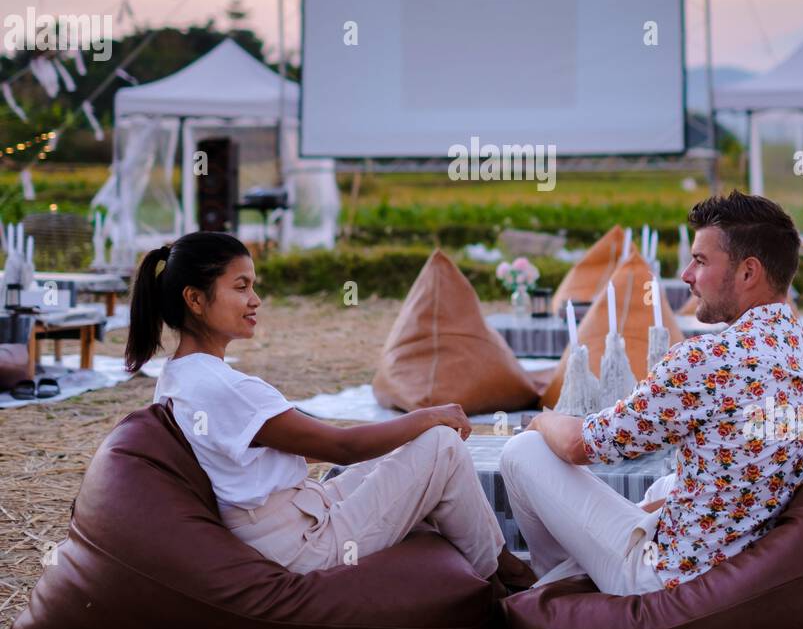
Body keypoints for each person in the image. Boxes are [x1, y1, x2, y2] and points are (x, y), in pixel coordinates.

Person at [124, 231, 535, 593]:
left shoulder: (180, 376)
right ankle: (503, 578)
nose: (255, 300)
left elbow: (290, 448)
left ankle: (495, 570)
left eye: (253, 286)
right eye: (241, 287)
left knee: (409, 454)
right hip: (301, 545)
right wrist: (427, 415)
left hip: (297, 513)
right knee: (441, 445)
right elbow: (340, 447)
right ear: (195, 299)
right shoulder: (221, 386)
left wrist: (401, 439)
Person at [500, 191, 803, 596]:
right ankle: (565, 580)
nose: (686, 274)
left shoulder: (708, 359)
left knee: (524, 452)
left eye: (701, 261)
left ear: (747, 272)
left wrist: (541, 418)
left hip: (673, 572)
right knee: (664, 487)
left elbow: (581, 445)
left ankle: (556, 593)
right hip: (756, 554)